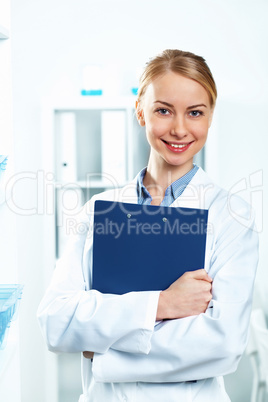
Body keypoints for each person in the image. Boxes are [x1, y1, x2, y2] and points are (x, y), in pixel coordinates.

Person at [37, 49, 259, 402]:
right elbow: (56, 321)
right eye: (163, 110)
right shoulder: (97, 212)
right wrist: (163, 304)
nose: (180, 129)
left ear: (210, 117)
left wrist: (103, 348)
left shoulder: (231, 216)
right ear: (139, 109)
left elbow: (223, 343)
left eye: (195, 113)